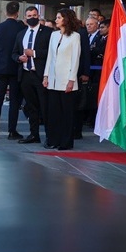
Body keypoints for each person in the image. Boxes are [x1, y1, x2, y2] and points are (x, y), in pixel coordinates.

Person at [43, 9, 84, 150]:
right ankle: (53, 139)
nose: (56, 20)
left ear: (66, 19)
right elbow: (50, 56)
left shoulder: (75, 36)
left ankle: (66, 142)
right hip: (53, 80)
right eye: (56, 17)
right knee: (54, 112)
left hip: (66, 80)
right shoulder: (53, 35)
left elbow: (75, 59)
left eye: (59, 17)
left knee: (67, 113)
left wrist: (71, 80)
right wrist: (46, 75)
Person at [0, 2, 27, 140]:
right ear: (17, 13)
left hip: (1, 67)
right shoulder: (22, 27)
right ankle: (12, 131)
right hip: (16, 67)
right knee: (15, 101)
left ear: (5, 12)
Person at [15, 8, 50, 145]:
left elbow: (50, 52)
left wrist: (34, 53)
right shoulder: (21, 34)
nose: (32, 18)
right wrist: (19, 57)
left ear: (39, 15)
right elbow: (14, 53)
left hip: (41, 75)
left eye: (34, 15)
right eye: (29, 16)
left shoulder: (48, 32)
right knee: (31, 107)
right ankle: (34, 134)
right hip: (25, 75)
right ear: (25, 17)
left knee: (45, 107)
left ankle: (49, 136)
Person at [78, 13, 107, 138]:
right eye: (87, 24)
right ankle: (89, 117)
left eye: (91, 24)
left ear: (97, 25)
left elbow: (96, 52)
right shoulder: (87, 36)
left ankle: (93, 118)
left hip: (97, 72)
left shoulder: (99, 37)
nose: (88, 27)